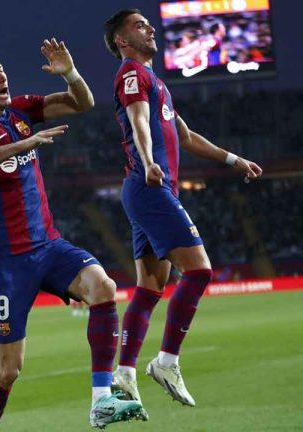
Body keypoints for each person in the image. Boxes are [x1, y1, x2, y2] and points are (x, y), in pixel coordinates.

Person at [0, 41, 146, 430]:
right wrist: (23, 144)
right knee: (7, 370)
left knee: (103, 287)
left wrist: (71, 73)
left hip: (48, 245)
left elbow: (82, 103)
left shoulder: (20, 110)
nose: (2, 75)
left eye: (1, 68)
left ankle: (101, 400)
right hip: (6, 260)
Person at [103, 8, 263, 406]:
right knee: (199, 270)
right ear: (123, 40)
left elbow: (185, 135)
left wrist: (233, 159)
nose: (151, 28)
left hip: (145, 188)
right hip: (150, 185)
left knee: (150, 287)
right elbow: (140, 121)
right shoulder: (131, 73)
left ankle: (123, 372)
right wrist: (148, 159)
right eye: (140, 25)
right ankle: (166, 360)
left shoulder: (155, 81)